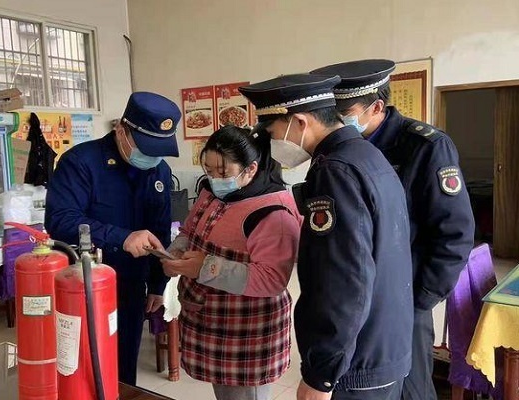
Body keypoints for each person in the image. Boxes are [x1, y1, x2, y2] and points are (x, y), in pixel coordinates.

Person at [239, 74, 414, 400]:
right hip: (384, 343)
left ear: (299, 122)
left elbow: (343, 279)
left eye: (273, 133)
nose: (273, 144)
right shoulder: (366, 154)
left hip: (357, 359)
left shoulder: (335, 171)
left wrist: (322, 374)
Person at [310, 59, 475, 400]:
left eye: (344, 112)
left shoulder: (424, 146)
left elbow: (454, 234)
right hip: (355, 301)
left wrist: (418, 299)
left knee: (410, 390)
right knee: (355, 385)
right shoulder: (336, 149)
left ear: (376, 107)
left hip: (403, 298)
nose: (337, 121)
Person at [45, 91, 181, 385]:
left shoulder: (159, 169)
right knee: (84, 368)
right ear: (121, 130)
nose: (152, 157)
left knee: (124, 367)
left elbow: (159, 232)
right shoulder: (81, 163)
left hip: (131, 286)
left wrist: (158, 284)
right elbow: (60, 220)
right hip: (84, 285)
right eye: (146, 148)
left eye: (158, 150)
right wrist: (121, 237)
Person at [161, 125, 302, 400]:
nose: (215, 179)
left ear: (250, 169)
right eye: (209, 170)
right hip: (211, 319)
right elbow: (189, 230)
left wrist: (203, 268)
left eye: (223, 172)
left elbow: (272, 280)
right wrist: (176, 251)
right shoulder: (211, 193)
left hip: (248, 332)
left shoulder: (274, 213)